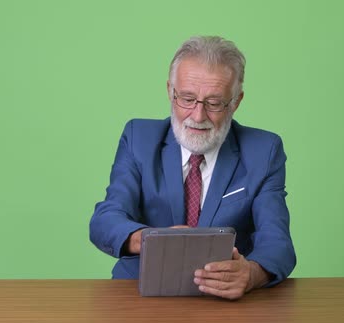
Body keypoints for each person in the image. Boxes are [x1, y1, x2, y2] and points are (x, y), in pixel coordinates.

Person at [89, 36, 296, 300]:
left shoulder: (264, 151)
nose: (198, 116)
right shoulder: (138, 138)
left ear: (236, 101)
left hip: (225, 303)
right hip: (138, 293)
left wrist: (252, 274)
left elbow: (277, 243)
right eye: (187, 99)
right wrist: (153, 240)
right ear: (169, 91)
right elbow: (105, 220)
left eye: (214, 103)